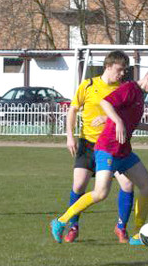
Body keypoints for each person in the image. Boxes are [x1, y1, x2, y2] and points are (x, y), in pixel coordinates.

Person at [49, 67, 148, 242]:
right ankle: (60, 221)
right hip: (108, 148)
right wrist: (117, 121)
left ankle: (137, 234)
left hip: (124, 151)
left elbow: (129, 121)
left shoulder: (140, 96)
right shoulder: (129, 88)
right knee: (100, 193)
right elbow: (106, 103)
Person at [54, 50, 136, 244]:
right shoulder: (88, 85)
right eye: (119, 69)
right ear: (108, 66)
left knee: (127, 184)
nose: (122, 73)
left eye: (125, 70)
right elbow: (73, 110)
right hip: (88, 144)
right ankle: (73, 226)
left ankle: (121, 228)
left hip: (112, 146)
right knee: (79, 185)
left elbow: (128, 115)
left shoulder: (122, 88)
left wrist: (108, 118)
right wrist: (70, 137)